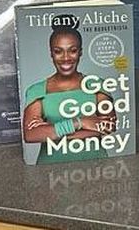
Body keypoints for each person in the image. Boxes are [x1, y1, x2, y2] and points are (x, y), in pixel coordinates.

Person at [22, 16, 115, 163]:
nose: (66, 58)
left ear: (80, 52)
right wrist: (80, 122)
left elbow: (108, 126)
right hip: (49, 168)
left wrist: (52, 132)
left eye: (72, 50)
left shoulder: (98, 85)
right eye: (58, 51)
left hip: (96, 164)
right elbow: (30, 135)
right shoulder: (36, 90)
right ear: (51, 53)